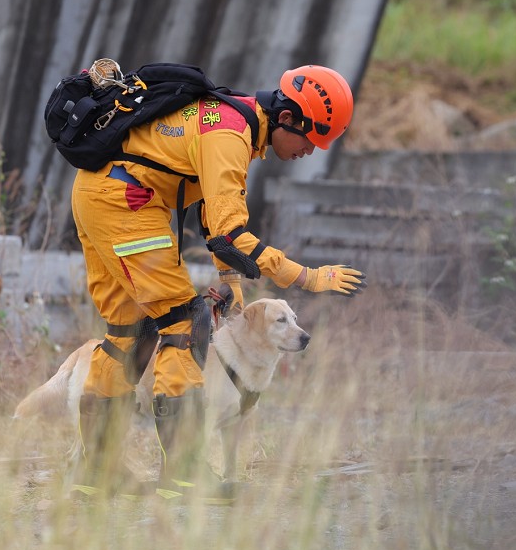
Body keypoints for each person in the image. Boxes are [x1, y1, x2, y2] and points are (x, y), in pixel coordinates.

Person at [69, 63, 366, 502]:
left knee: (129, 330)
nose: (309, 150)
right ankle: (187, 475)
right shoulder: (230, 133)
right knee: (183, 324)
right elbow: (232, 234)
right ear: (287, 118)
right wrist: (308, 277)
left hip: (99, 195)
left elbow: (214, 221)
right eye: (309, 139)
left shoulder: (230, 121)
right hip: (128, 203)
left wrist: (232, 280)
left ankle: (97, 471)